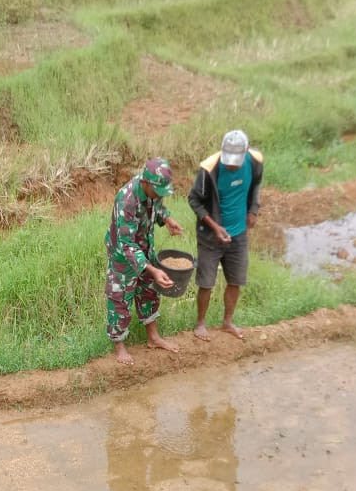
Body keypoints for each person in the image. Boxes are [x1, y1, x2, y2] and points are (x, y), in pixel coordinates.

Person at [105, 157, 184, 366]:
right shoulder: (127, 199)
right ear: (146, 183)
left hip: (144, 248)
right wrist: (152, 269)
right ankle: (119, 345)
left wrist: (167, 220)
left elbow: (157, 206)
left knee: (149, 290)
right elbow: (126, 243)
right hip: (123, 254)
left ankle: (153, 337)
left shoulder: (154, 189)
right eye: (158, 190)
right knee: (120, 298)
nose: (160, 194)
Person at [188, 130, 264, 341]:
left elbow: (256, 184)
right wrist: (215, 227)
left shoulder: (255, 161)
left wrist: (253, 209)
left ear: (245, 153)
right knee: (206, 282)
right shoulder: (209, 170)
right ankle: (201, 324)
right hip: (210, 237)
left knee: (236, 280)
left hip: (238, 234)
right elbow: (194, 201)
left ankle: (227, 322)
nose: (231, 165)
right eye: (228, 161)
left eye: (236, 162)